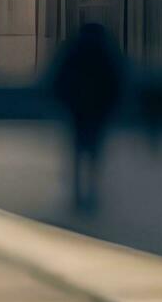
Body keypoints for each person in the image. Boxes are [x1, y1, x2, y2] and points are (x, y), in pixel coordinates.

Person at [49, 22, 126, 211]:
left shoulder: (73, 50)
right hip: (97, 111)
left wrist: (66, 102)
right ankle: (90, 191)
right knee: (93, 154)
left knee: (78, 152)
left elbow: (59, 79)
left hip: (78, 110)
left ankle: (78, 194)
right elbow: (116, 82)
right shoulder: (105, 52)